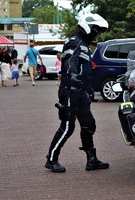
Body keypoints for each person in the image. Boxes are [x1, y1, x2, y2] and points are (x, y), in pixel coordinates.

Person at [45, 13, 109, 173]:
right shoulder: (73, 43)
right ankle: (51, 160)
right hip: (69, 91)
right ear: (87, 26)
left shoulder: (84, 45)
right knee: (67, 126)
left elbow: (85, 69)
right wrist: (72, 74)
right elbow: (70, 61)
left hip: (81, 93)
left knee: (89, 125)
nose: (97, 32)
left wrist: (88, 90)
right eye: (96, 29)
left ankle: (91, 160)